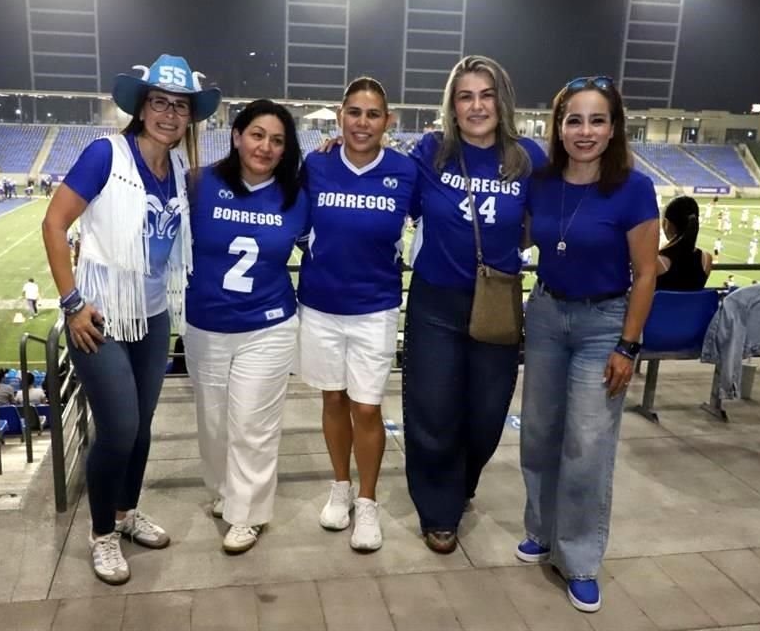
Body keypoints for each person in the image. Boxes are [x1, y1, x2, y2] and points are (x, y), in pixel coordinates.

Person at [41, 53, 219, 585]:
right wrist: (72, 303)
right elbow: (54, 224)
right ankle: (100, 534)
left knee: (141, 429)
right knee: (118, 429)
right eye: (160, 102)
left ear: (190, 116)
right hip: (100, 317)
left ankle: (126, 513)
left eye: (179, 106)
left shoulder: (180, 168)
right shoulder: (106, 154)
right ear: (142, 108)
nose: (168, 113)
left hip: (152, 314)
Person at [518, 75, 659, 613]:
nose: (584, 131)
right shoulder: (542, 180)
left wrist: (628, 347)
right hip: (549, 314)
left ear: (613, 128)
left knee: (586, 444)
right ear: (558, 126)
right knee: (539, 432)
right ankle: (543, 531)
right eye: (573, 119)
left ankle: (578, 558)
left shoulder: (633, 188)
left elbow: (646, 274)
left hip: (605, 323)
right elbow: (518, 231)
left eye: (596, 119)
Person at [401, 55, 546, 555]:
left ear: (501, 100)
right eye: (466, 96)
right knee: (433, 409)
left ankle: (461, 482)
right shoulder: (431, 152)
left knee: (486, 413)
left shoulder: (528, 158)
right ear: (453, 105)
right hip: (436, 300)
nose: (477, 105)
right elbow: (389, 187)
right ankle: (438, 509)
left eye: (486, 95)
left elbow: (553, 215)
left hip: (498, 299)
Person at [298, 78, 417, 552]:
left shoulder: (407, 173)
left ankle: (367, 501)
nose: (362, 123)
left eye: (372, 114)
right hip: (321, 304)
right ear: (339, 116)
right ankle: (340, 486)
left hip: (376, 306)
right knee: (332, 400)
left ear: (387, 121)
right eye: (354, 113)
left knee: (367, 407)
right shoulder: (316, 164)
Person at [184, 99, 307, 555]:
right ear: (236, 136)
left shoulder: (297, 195)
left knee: (253, 423)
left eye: (277, 140)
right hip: (206, 324)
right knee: (214, 423)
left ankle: (249, 512)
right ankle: (224, 490)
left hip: (268, 325)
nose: (266, 146)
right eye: (257, 135)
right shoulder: (199, 184)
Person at [656, 195, 712, 291]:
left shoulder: (658, 261)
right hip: (695, 306)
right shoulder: (706, 259)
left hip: (662, 306)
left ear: (666, 223)